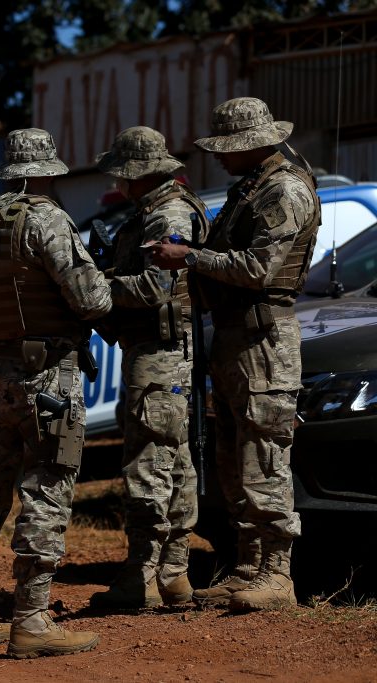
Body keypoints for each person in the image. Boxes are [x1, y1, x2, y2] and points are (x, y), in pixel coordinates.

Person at [0, 128, 111, 658]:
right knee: (47, 488)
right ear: (44, 172)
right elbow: (92, 299)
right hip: (49, 379)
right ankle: (32, 621)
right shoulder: (48, 219)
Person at [150, 97, 320, 612]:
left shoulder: (284, 190)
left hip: (263, 342)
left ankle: (277, 576)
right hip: (232, 339)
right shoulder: (250, 188)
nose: (220, 157)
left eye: (228, 148)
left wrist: (189, 256)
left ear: (254, 145)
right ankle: (247, 567)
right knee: (233, 461)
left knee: (265, 458)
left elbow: (258, 270)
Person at [87, 127, 206, 609]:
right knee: (173, 461)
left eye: (124, 174)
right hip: (161, 351)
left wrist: (96, 287)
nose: (121, 183)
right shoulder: (160, 210)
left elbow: (154, 288)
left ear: (141, 174)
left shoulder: (169, 214)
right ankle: (173, 574)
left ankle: (141, 579)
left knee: (148, 465)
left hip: (160, 355)